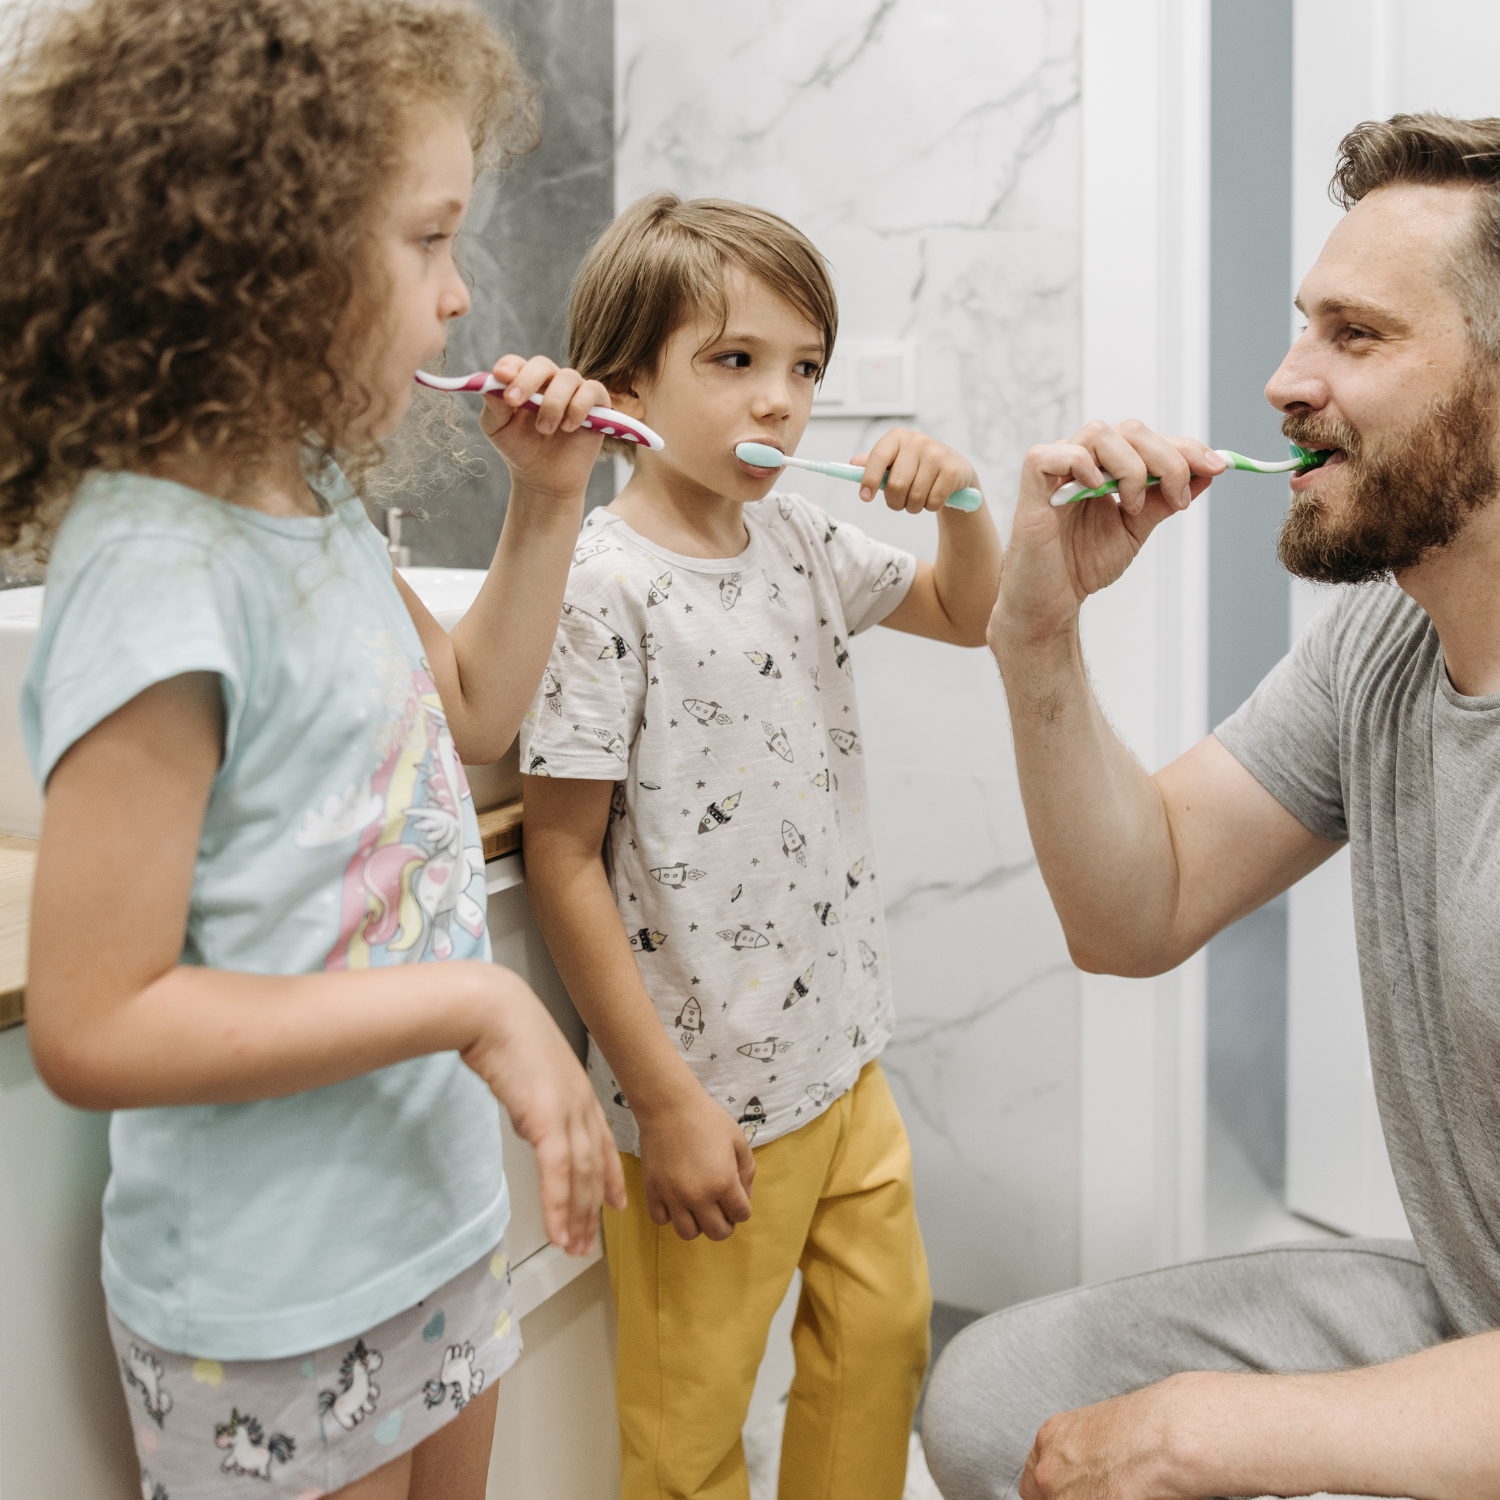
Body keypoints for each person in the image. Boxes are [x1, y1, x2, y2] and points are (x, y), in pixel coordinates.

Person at [1, 2, 627, 1496]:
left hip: (427, 1218)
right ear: (267, 257)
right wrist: (473, 1001)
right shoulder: (160, 576)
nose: (461, 296)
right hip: (273, 1295)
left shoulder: (313, 497)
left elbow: (470, 711)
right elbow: (94, 1023)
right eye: (428, 241)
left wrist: (549, 499)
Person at [921, 112, 1500, 1500]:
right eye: (1307, 327)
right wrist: (1036, 638)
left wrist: (1212, 1433)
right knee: (996, 1403)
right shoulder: (1386, 644)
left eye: (1355, 337)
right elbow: (1139, 907)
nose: (1284, 381)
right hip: (1472, 1309)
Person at [517, 191, 1004, 1500]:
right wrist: (668, 1102)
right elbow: (562, 857)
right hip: (706, 1102)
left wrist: (962, 501)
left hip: (843, 1061)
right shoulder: (602, 587)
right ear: (626, 386)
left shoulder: (797, 534)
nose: (780, 403)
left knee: (882, 1343)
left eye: (804, 369)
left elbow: (969, 610)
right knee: (689, 1429)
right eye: (735, 362)